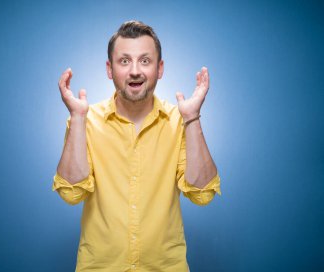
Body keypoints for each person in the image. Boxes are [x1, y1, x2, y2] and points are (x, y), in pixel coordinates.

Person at [52, 20, 221, 272]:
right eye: (124, 61)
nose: (134, 71)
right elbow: (71, 193)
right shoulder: (85, 121)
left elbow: (202, 194)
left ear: (159, 68)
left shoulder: (180, 121)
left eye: (145, 60)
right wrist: (77, 118)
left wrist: (192, 118)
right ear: (109, 69)